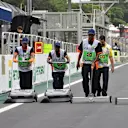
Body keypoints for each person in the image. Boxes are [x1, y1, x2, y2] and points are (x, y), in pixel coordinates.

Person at [76, 28, 102, 97]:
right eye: (89, 35)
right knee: (85, 78)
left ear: (94, 35)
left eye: (92, 35)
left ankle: (93, 92)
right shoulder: (84, 42)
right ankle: (86, 93)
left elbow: (99, 54)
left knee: (94, 79)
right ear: (88, 35)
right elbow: (80, 53)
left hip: (94, 64)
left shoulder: (97, 43)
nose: (90, 37)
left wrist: (94, 61)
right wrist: (78, 62)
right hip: (85, 63)